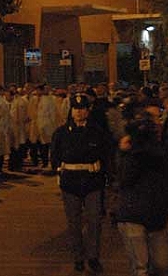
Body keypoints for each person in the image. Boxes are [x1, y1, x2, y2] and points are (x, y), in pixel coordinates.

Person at [51, 94, 111, 273]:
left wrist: (105, 176)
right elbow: (55, 156)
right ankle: (78, 257)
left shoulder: (97, 131)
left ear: (88, 110)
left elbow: (105, 155)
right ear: (71, 110)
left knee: (94, 221)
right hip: (70, 182)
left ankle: (93, 257)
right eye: (76, 109)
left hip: (92, 181)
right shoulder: (61, 133)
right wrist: (59, 172)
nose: (79, 112)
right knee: (74, 222)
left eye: (82, 108)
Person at [115, 114, 168, 276]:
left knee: (163, 265)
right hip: (133, 214)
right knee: (141, 268)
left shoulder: (163, 153)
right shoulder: (131, 155)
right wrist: (125, 153)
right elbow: (124, 178)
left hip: (158, 214)